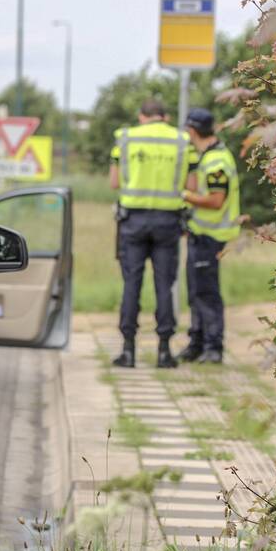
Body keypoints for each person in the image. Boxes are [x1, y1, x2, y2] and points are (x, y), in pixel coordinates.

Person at [109, 99, 192, 368]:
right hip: (168, 222)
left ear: (141, 116)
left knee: (131, 284)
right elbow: (191, 185)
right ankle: (165, 351)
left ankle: (129, 350)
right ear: (165, 116)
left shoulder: (125, 139)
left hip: (133, 220)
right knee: (164, 286)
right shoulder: (181, 141)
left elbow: (114, 182)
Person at [178, 108, 242, 365]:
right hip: (200, 233)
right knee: (196, 291)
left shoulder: (216, 162)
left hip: (211, 235)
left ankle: (213, 346)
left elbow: (216, 201)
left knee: (206, 292)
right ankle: (197, 343)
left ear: (192, 130)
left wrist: (184, 196)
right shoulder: (208, 156)